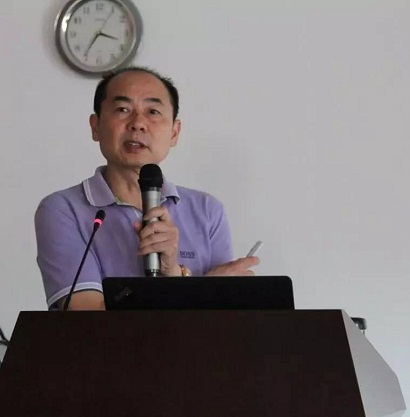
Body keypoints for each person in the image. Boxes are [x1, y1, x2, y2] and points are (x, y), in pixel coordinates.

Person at [35, 66, 259, 311]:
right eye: (123, 109)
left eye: (153, 111)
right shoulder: (63, 209)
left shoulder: (207, 210)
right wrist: (203, 288)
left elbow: (223, 318)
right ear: (96, 126)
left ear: (174, 133)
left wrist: (174, 272)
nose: (138, 123)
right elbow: (88, 315)